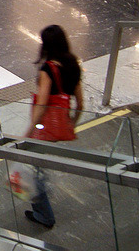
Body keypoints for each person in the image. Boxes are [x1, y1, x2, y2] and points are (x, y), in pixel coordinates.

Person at [23, 25, 84, 229]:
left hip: (44, 129)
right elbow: (81, 104)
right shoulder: (73, 64)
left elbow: (41, 105)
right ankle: (41, 203)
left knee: (33, 169)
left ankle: (44, 215)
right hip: (61, 127)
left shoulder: (48, 69)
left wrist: (29, 132)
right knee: (38, 166)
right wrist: (70, 124)